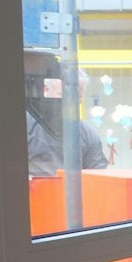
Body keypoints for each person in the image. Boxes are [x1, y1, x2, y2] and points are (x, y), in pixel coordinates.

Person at [24, 50, 110, 178]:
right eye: (62, 95)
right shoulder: (24, 125)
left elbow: (98, 177)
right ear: (46, 90)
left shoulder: (88, 135)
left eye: (77, 97)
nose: (70, 102)